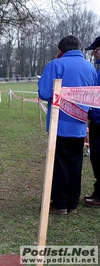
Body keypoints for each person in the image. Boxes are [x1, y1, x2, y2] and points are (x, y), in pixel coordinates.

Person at [38, 35, 97, 214]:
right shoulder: (91, 68)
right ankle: (73, 202)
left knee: (59, 164)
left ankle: (59, 202)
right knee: (75, 163)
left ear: (61, 49)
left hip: (60, 123)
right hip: (79, 124)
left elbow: (44, 92)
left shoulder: (56, 65)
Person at [83, 36, 100, 207]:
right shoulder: (98, 70)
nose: (93, 54)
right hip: (96, 120)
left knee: (98, 157)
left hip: (99, 121)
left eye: (95, 50)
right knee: (95, 157)